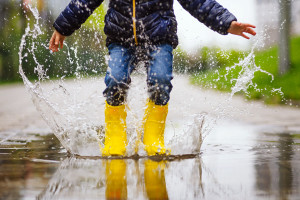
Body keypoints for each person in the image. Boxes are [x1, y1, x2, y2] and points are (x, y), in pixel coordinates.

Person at [49, 0, 256, 157]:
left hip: (159, 39)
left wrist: (226, 22)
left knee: (161, 81)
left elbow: (197, 2)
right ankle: (115, 136)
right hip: (120, 39)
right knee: (116, 80)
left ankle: (153, 135)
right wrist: (63, 27)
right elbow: (85, 2)